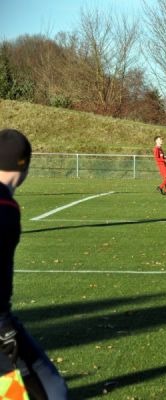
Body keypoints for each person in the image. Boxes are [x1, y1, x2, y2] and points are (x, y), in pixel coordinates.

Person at [0, 129, 69, 399]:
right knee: (53, 391)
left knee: (12, 392)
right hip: (0, 326)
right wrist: (4, 326)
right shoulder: (5, 207)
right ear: (24, 165)